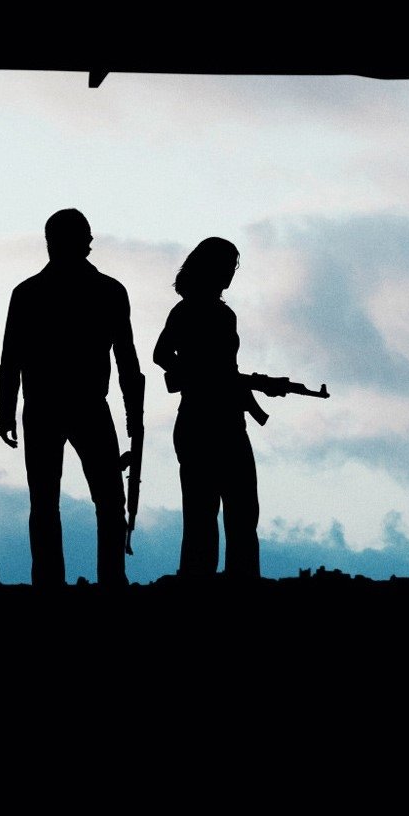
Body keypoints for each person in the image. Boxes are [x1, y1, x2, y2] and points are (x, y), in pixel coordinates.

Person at [0, 208, 145, 587]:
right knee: (92, 500)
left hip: (59, 407)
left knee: (58, 502)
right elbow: (126, 359)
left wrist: (6, 412)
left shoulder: (30, 292)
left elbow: (126, 358)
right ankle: (106, 579)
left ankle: (63, 581)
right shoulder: (106, 291)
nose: (90, 243)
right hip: (77, 407)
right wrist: (134, 413)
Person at [153, 237, 262, 581]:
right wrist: (197, 376)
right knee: (203, 512)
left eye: (233, 268)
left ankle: (239, 577)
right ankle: (199, 580)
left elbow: (226, 369)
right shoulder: (187, 310)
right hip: (201, 420)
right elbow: (161, 354)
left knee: (242, 510)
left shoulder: (223, 314)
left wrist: (245, 388)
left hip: (227, 419)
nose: (231, 274)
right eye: (227, 267)